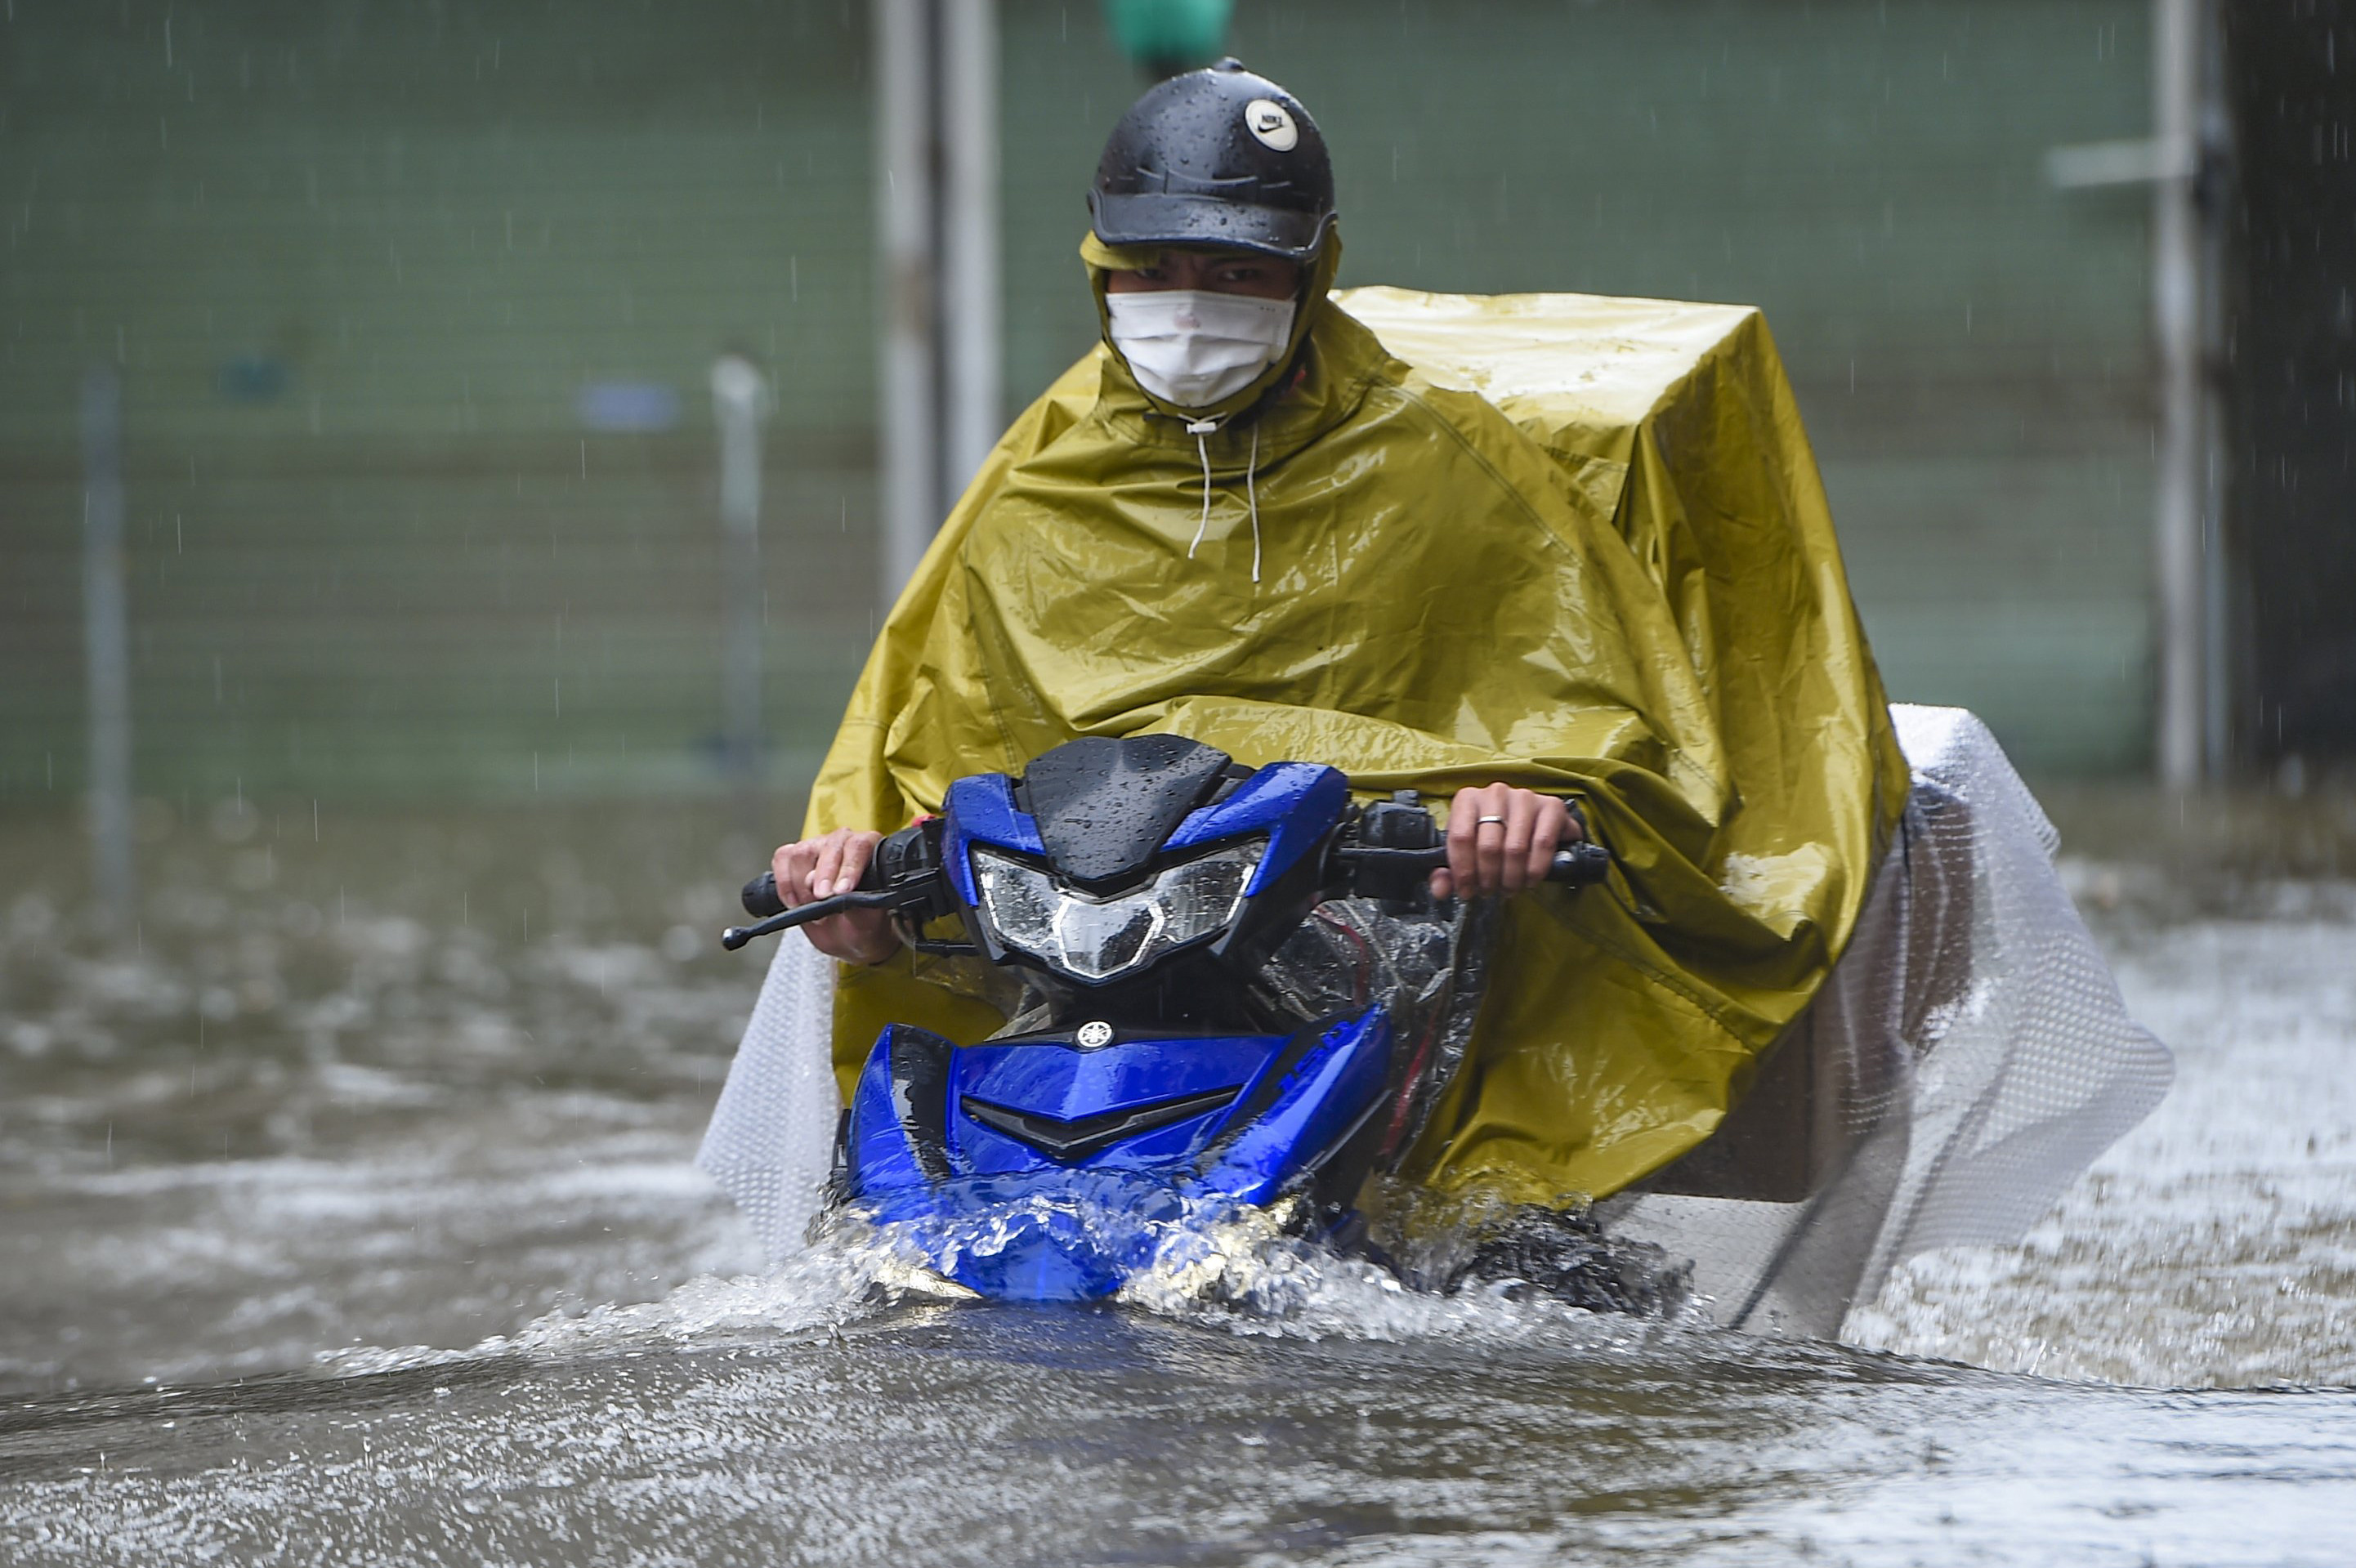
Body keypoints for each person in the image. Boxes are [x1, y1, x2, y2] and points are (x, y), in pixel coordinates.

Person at [760, 59, 1910, 1212]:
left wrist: (1533, 803)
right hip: (1083, 953)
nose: (1190, 303)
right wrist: (859, 875)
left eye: (1235, 271)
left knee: (1484, 1225)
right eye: (1151, 270)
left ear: (1314, 272)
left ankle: (1498, 1241)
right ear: (1099, 267)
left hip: (1370, 938)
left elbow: (1597, 725)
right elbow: (933, 740)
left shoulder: (1450, 466)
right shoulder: (1038, 480)